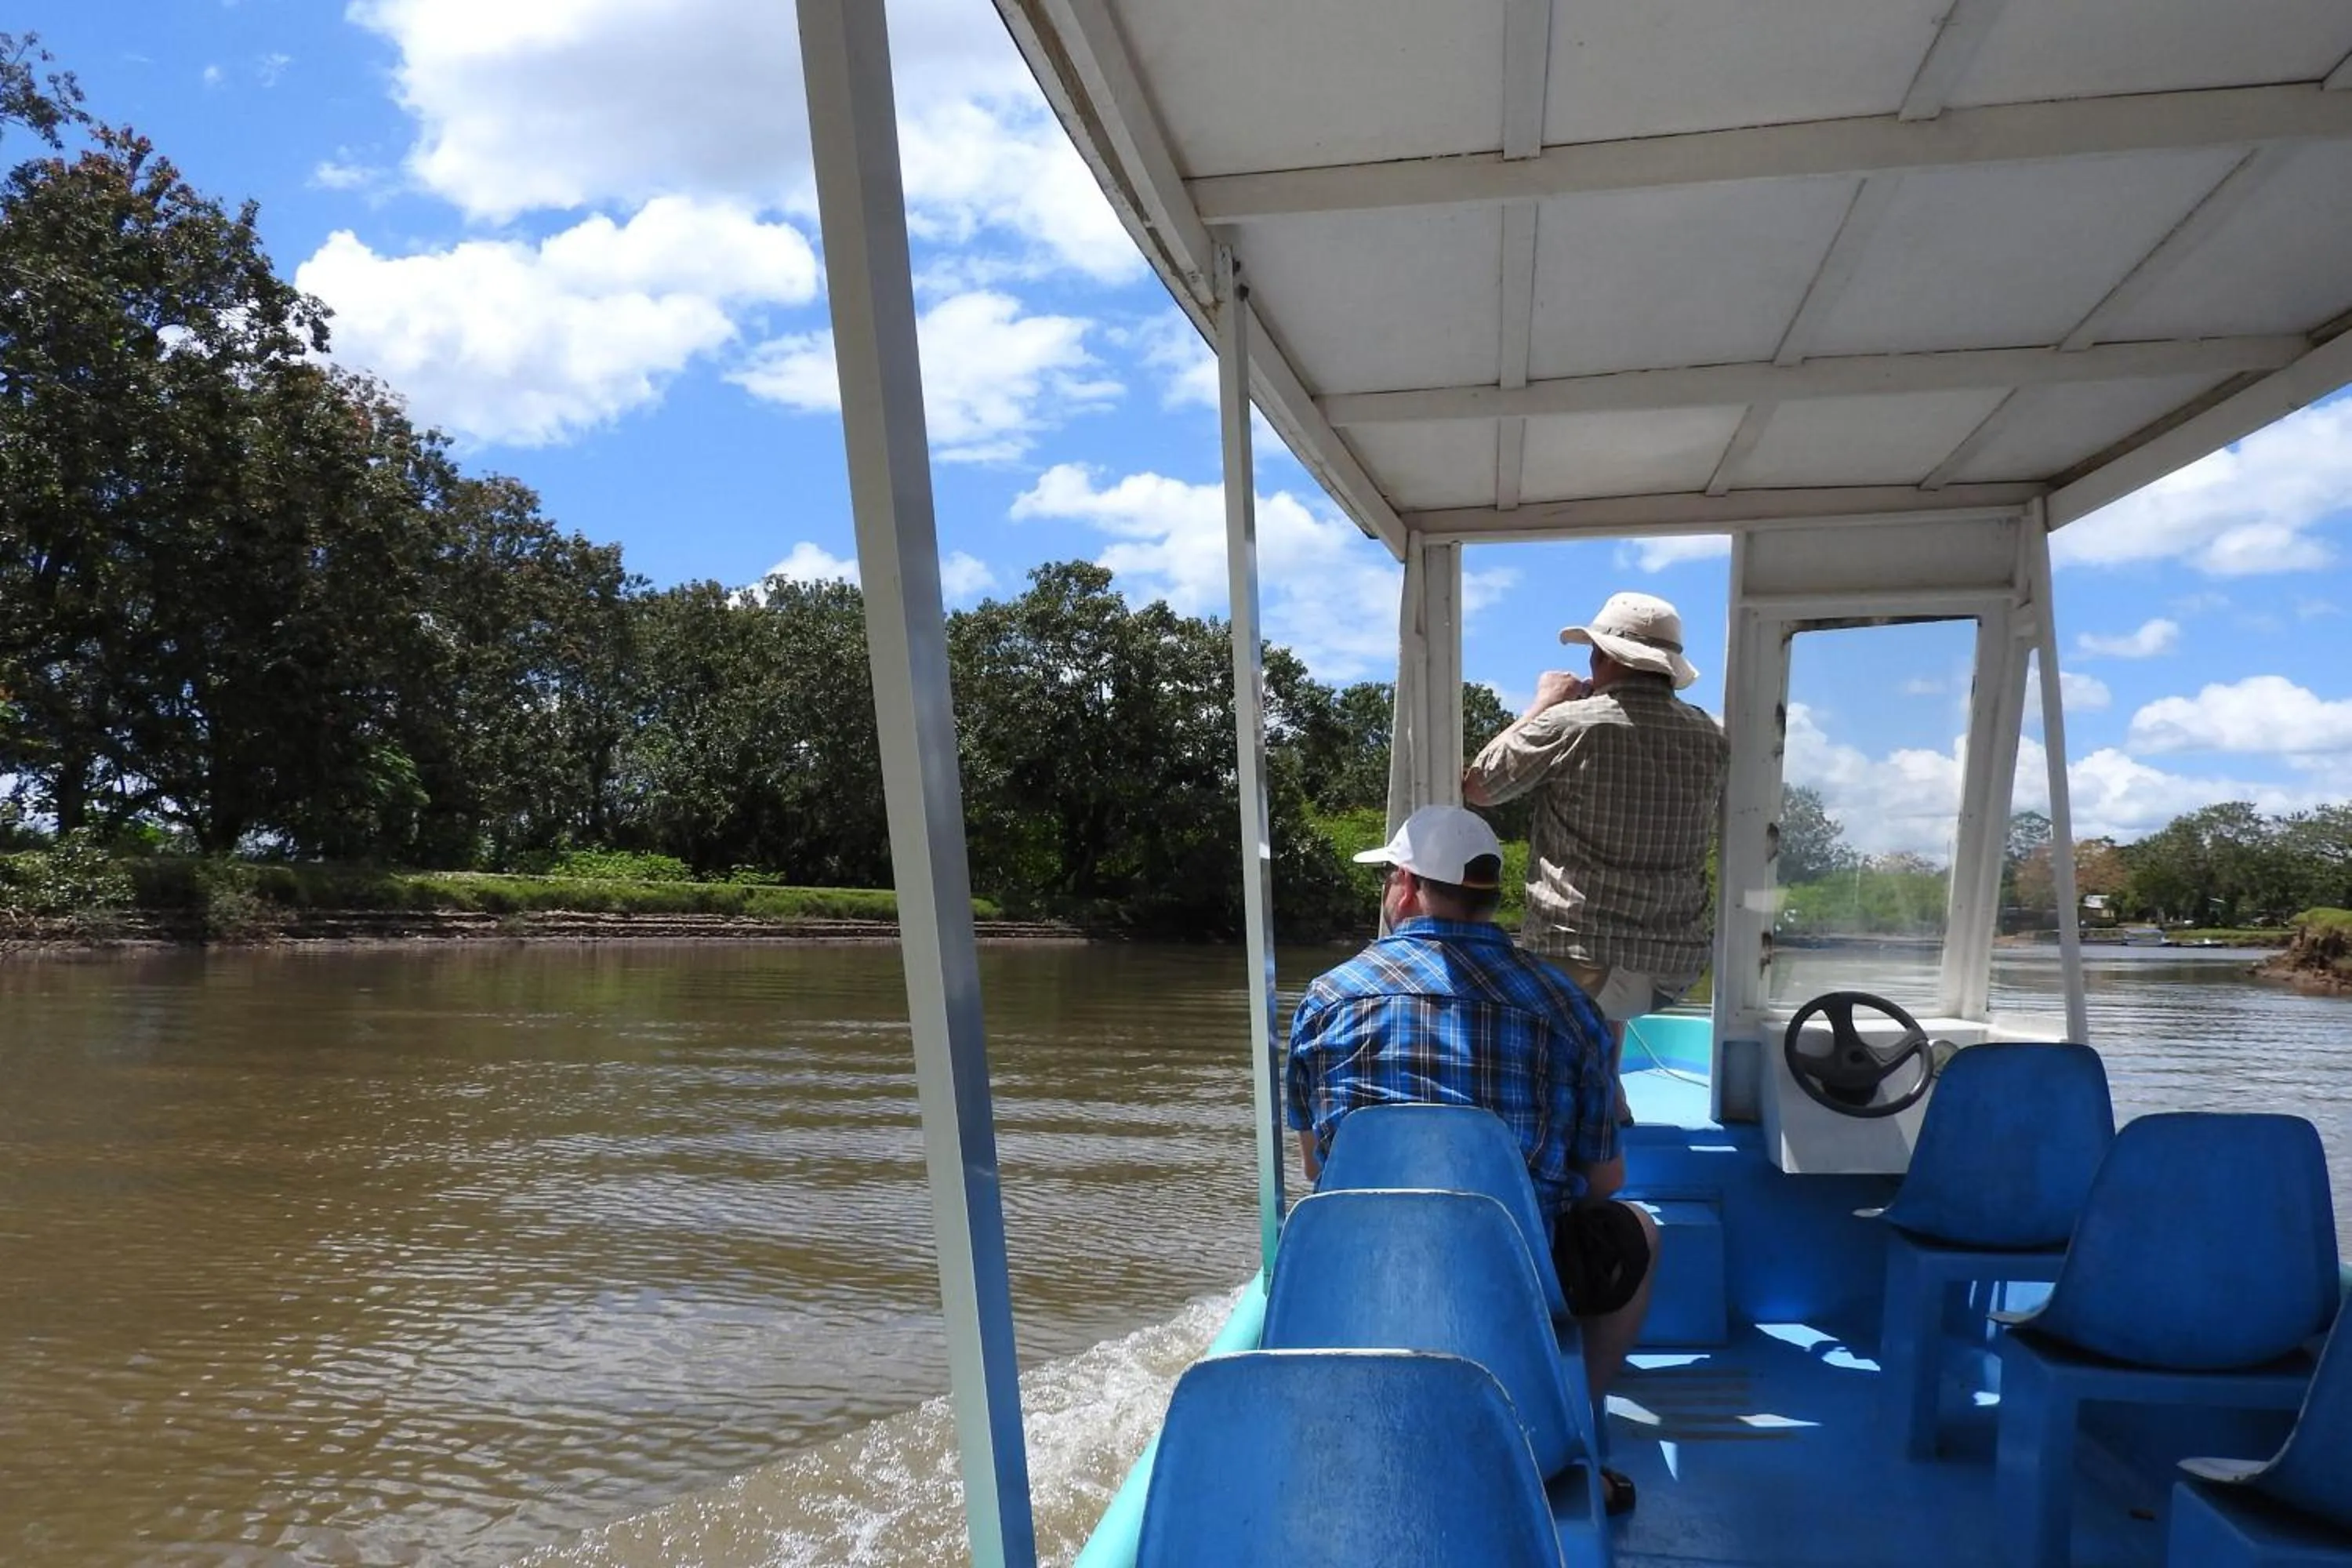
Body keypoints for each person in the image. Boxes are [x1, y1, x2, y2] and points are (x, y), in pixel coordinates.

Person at [1285, 804, 1656, 1514]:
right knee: (1637, 1230)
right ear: (1488, 896)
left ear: (1405, 886)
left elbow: (1316, 1170)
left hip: (1360, 1275)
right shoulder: (1566, 1005)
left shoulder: (1326, 998)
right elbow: (1605, 1182)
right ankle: (1570, 1436)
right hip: (1517, 1281)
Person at [1463, 590, 1727, 1084]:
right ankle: (1611, 1090)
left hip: (1574, 961)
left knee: (1575, 962)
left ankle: (1569, 1105)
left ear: (1602, 656)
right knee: (1607, 956)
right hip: (1672, 971)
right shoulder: (1713, 735)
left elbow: (1479, 786)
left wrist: (1544, 704)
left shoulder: (1569, 724)